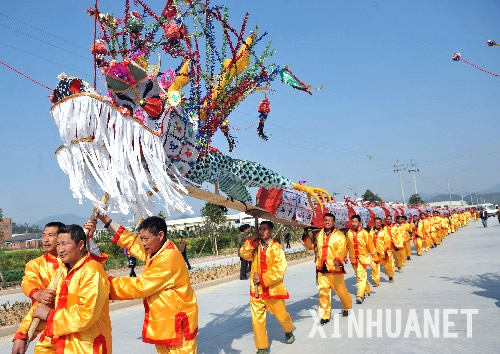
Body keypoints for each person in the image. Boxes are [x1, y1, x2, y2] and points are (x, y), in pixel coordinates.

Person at [98, 214, 198, 353]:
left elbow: (140, 286)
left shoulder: (167, 259)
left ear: (160, 235)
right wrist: (105, 220)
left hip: (177, 323)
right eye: (142, 239)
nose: (143, 243)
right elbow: (131, 241)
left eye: (146, 239)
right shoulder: (155, 249)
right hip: (166, 321)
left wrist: (103, 284)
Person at [13, 224, 111, 354]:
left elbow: (86, 315)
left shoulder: (91, 271)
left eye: (64, 243)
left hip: (85, 346)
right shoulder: (61, 270)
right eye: (58, 244)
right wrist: (22, 334)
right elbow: (39, 301)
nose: (60, 249)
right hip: (59, 337)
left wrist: (49, 315)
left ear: (81, 245)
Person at [240, 221, 295, 354]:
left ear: (271, 231)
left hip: (273, 290)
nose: (262, 231)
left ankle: (288, 330)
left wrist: (263, 278)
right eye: (261, 229)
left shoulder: (277, 248)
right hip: (256, 291)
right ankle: (262, 346)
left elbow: (280, 269)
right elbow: (243, 254)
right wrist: (252, 239)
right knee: (257, 320)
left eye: (265, 229)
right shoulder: (255, 246)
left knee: (282, 316)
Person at [302, 213, 352, 325]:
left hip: (334, 268)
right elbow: (311, 247)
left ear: (334, 222)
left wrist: (338, 259)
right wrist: (305, 235)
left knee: (341, 292)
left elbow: (342, 248)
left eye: (329, 220)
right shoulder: (319, 234)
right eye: (325, 220)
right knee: (323, 292)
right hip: (321, 268)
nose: (327, 222)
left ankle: (347, 306)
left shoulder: (339, 236)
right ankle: (325, 315)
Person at [21, 222, 65, 305]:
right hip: (44, 312)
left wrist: (90, 239)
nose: (46, 239)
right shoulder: (35, 264)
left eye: (50, 235)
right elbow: (28, 281)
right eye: (44, 235)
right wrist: (37, 293)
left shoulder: (73, 262)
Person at [346, 215, 375, 304]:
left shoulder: (364, 233)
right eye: (352, 221)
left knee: (361, 276)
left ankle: (360, 295)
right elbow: (346, 245)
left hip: (362, 258)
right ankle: (367, 289)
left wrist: (374, 256)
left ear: (359, 222)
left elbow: (370, 245)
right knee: (359, 276)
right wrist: (344, 256)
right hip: (353, 258)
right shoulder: (349, 233)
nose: (354, 223)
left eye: (355, 221)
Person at [369, 217, 388, 287]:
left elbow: (387, 241)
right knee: (375, 266)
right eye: (377, 222)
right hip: (374, 252)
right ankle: (376, 281)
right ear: (374, 223)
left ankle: (390, 274)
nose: (378, 224)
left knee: (387, 265)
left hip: (382, 251)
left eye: (379, 223)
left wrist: (386, 250)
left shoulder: (384, 231)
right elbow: (369, 241)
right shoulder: (371, 231)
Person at [383, 215, 402, 280]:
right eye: (387, 219)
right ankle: (391, 274)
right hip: (388, 247)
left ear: (391, 220)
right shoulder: (383, 228)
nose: (388, 220)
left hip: (395, 245)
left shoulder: (395, 227)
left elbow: (399, 237)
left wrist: (398, 245)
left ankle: (399, 266)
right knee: (390, 261)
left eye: (389, 219)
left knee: (397, 258)